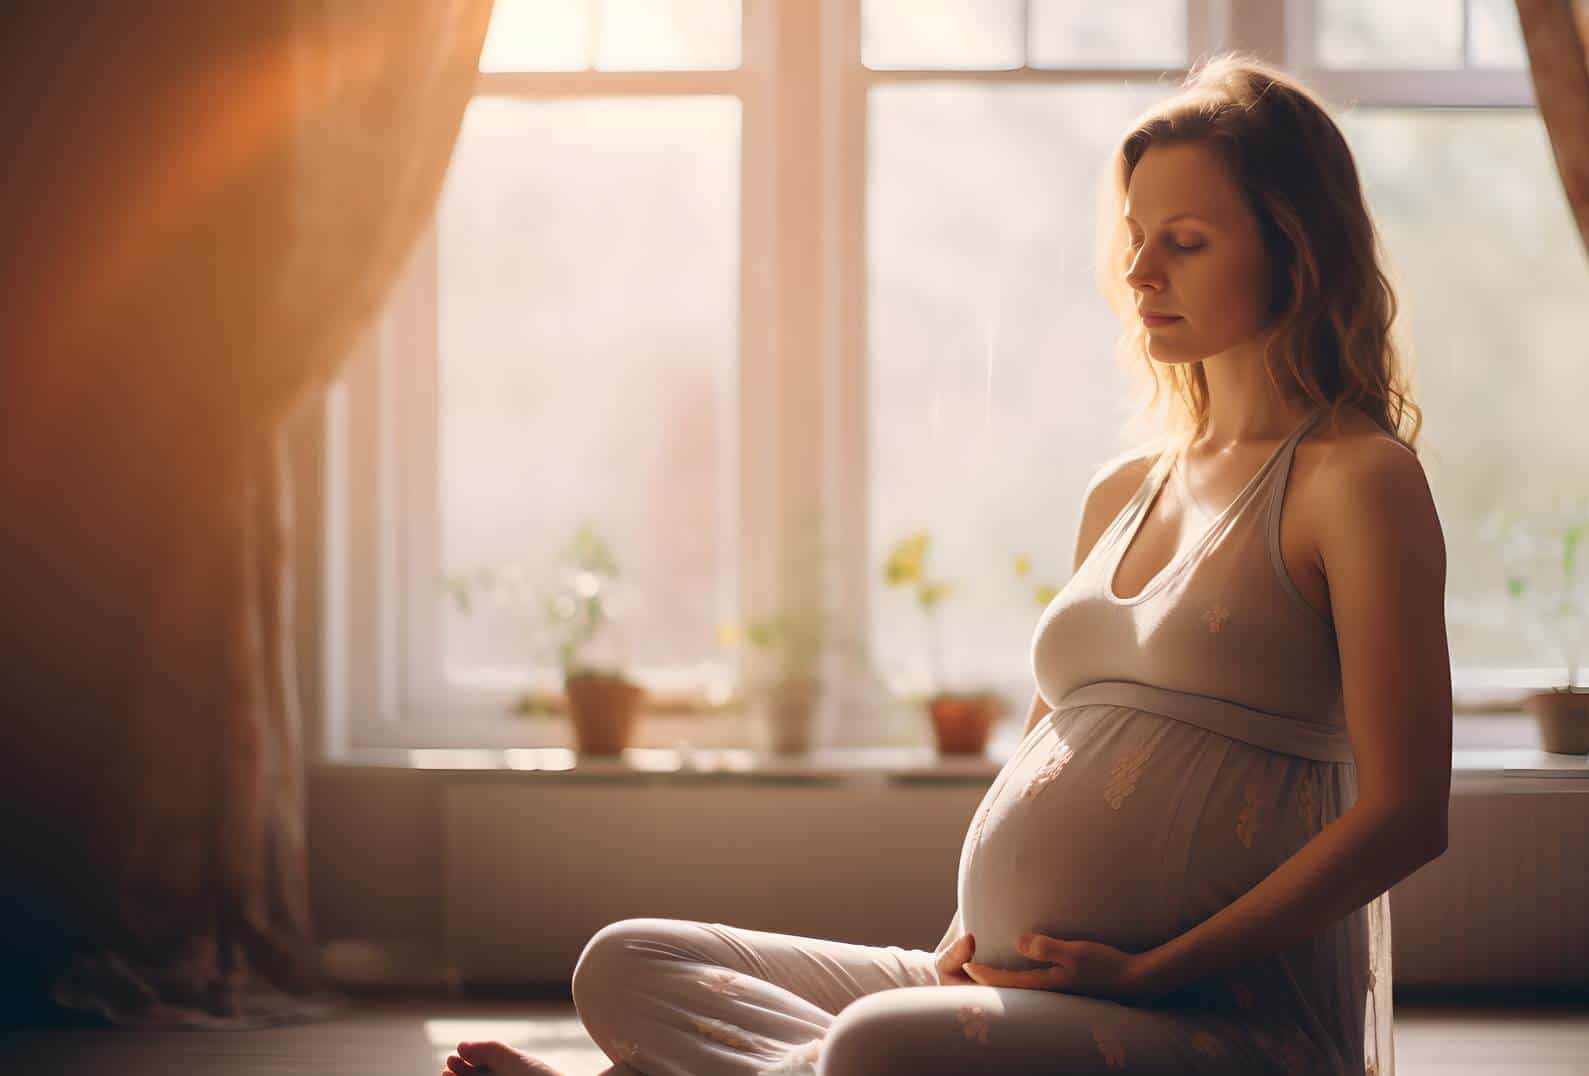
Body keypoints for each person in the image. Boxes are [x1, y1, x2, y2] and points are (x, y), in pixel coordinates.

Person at [441, 50, 1451, 1076]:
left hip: (1214, 1017)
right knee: (628, 961)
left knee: (871, 1046)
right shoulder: (1124, 489)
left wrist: (1150, 971)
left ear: (1295, 249)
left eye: (1185, 242)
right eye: (1137, 237)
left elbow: (1407, 815)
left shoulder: (1357, 481)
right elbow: (1045, 758)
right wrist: (962, 945)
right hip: (1012, 982)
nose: (1140, 273)